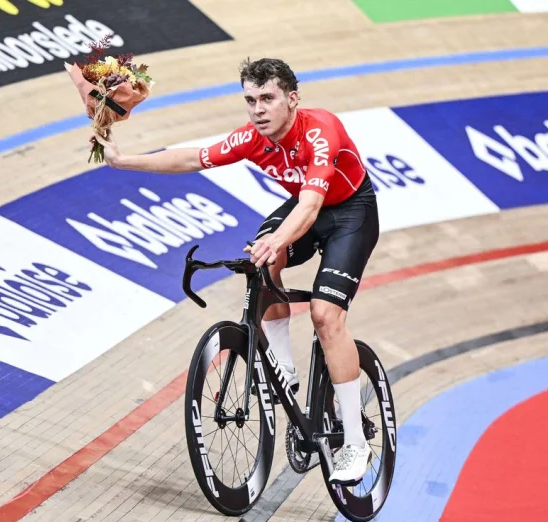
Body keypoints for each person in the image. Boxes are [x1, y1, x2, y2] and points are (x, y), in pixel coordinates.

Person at [94, 57, 378, 484]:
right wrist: (123, 161)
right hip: (305, 206)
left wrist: (278, 240)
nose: (258, 109)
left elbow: (311, 205)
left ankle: (355, 443)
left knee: (325, 315)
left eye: (267, 98)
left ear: (292, 99)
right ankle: (284, 365)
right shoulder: (252, 138)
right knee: (261, 259)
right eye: (250, 100)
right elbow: (191, 159)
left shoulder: (321, 130)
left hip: (350, 212)